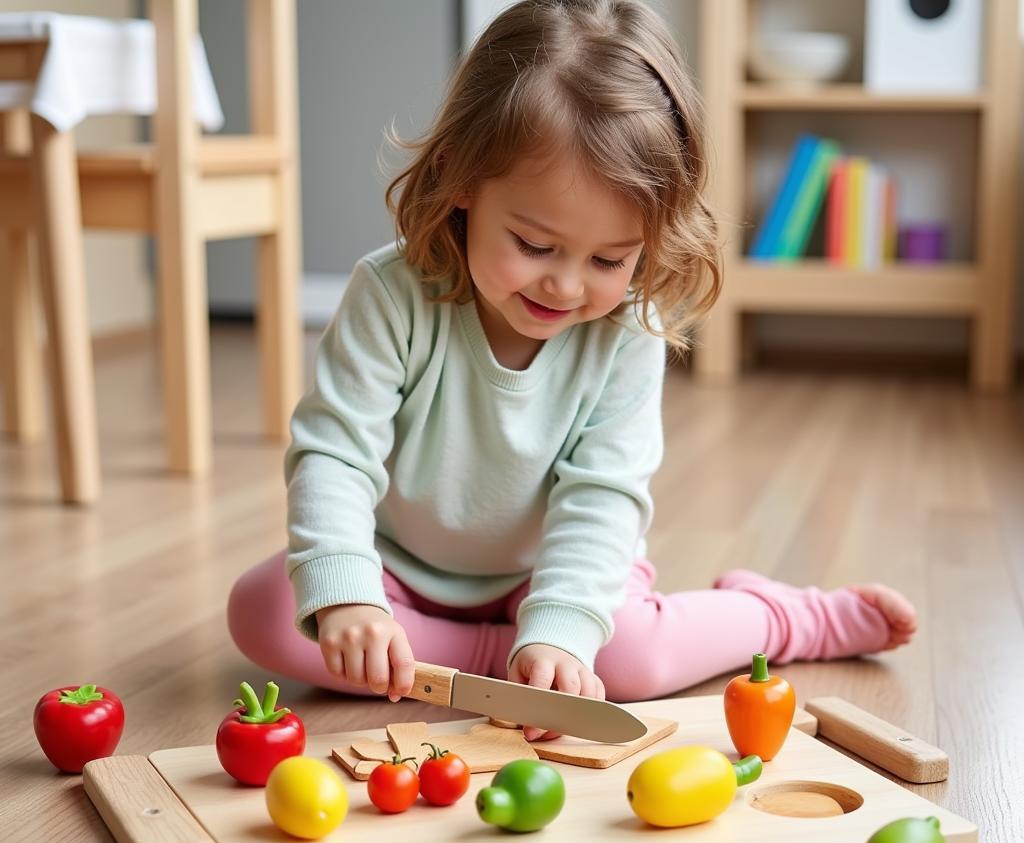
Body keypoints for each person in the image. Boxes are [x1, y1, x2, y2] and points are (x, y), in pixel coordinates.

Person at [227, 0, 917, 740]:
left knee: (637, 662)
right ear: (461, 178)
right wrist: (353, 601)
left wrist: (556, 633)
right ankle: (506, 668)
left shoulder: (626, 329)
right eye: (532, 243)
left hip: (552, 573)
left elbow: (604, 496)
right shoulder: (390, 293)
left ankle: (785, 616)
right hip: (408, 572)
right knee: (267, 611)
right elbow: (334, 454)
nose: (564, 286)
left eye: (610, 260)